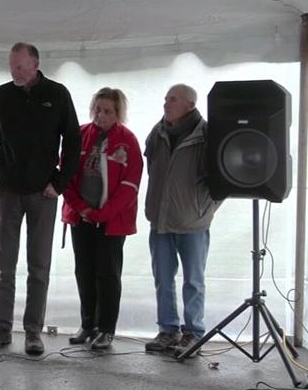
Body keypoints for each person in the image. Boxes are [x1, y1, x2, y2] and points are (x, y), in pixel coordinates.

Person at [0, 42, 81, 355]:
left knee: (39, 267)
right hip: (7, 191)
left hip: (43, 193)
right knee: (4, 267)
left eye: (20, 67)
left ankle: (33, 332)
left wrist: (59, 183)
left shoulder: (58, 94)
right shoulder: (1, 95)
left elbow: (73, 142)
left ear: (35, 64)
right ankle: (1, 329)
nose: (15, 73)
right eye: (12, 67)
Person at [61, 88, 143, 350]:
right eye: (97, 108)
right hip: (82, 216)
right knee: (84, 271)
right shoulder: (81, 134)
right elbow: (67, 176)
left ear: (118, 113)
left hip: (111, 221)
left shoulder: (127, 140)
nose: (101, 114)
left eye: (107, 111)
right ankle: (88, 324)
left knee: (107, 274)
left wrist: (102, 214)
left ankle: (106, 329)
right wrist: (83, 209)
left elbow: (130, 185)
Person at [143, 84, 221, 357]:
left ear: (190, 104)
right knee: (163, 279)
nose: (166, 103)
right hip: (161, 221)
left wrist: (205, 208)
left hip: (192, 223)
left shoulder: (207, 134)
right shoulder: (158, 132)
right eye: (165, 98)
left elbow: (221, 178)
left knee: (193, 281)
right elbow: (151, 165)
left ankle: (193, 334)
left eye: (173, 99)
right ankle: (168, 330)